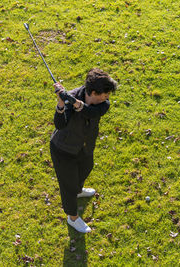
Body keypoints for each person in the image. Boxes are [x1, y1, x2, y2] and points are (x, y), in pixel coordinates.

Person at [50, 68, 117, 233]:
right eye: (105, 94)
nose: (108, 98)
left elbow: (91, 112)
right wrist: (61, 102)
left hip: (85, 146)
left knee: (86, 168)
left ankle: (78, 191)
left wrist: (75, 103)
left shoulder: (102, 104)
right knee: (68, 186)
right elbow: (60, 124)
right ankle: (72, 218)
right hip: (63, 149)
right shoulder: (70, 97)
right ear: (93, 92)